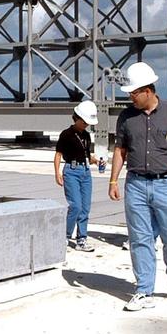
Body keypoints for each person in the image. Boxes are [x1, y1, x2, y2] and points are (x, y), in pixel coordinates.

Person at [108, 62, 167, 312]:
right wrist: (113, 180)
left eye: (133, 93)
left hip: (166, 184)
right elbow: (120, 150)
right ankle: (144, 289)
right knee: (139, 239)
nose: (130, 97)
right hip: (135, 184)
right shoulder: (126, 117)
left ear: (148, 91)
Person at [55, 100, 99, 252]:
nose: (87, 125)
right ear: (77, 118)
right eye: (85, 121)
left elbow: (87, 155)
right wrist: (57, 173)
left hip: (85, 171)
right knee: (76, 206)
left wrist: (96, 160)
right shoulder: (66, 134)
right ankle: (65, 236)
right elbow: (58, 154)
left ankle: (82, 238)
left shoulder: (86, 135)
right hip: (71, 170)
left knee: (85, 207)